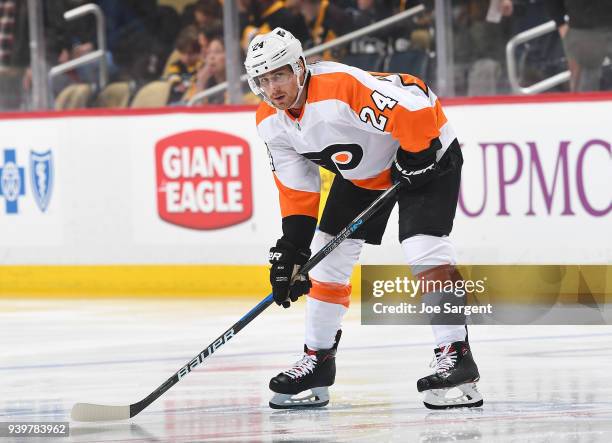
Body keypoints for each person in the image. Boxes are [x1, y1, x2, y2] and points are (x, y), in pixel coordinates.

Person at [245, 27, 483, 410]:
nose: (273, 88)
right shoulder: (270, 122)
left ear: (300, 67)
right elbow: (298, 190)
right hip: (363, 172)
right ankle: (318, 361)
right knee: (326, 258)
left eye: (280, 74)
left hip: (425, 144)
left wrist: (419, 155)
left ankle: (457, 357)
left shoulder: (339, 87)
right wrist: (292, 250)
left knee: (423, 245)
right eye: (263, 79)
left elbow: (415, 107)